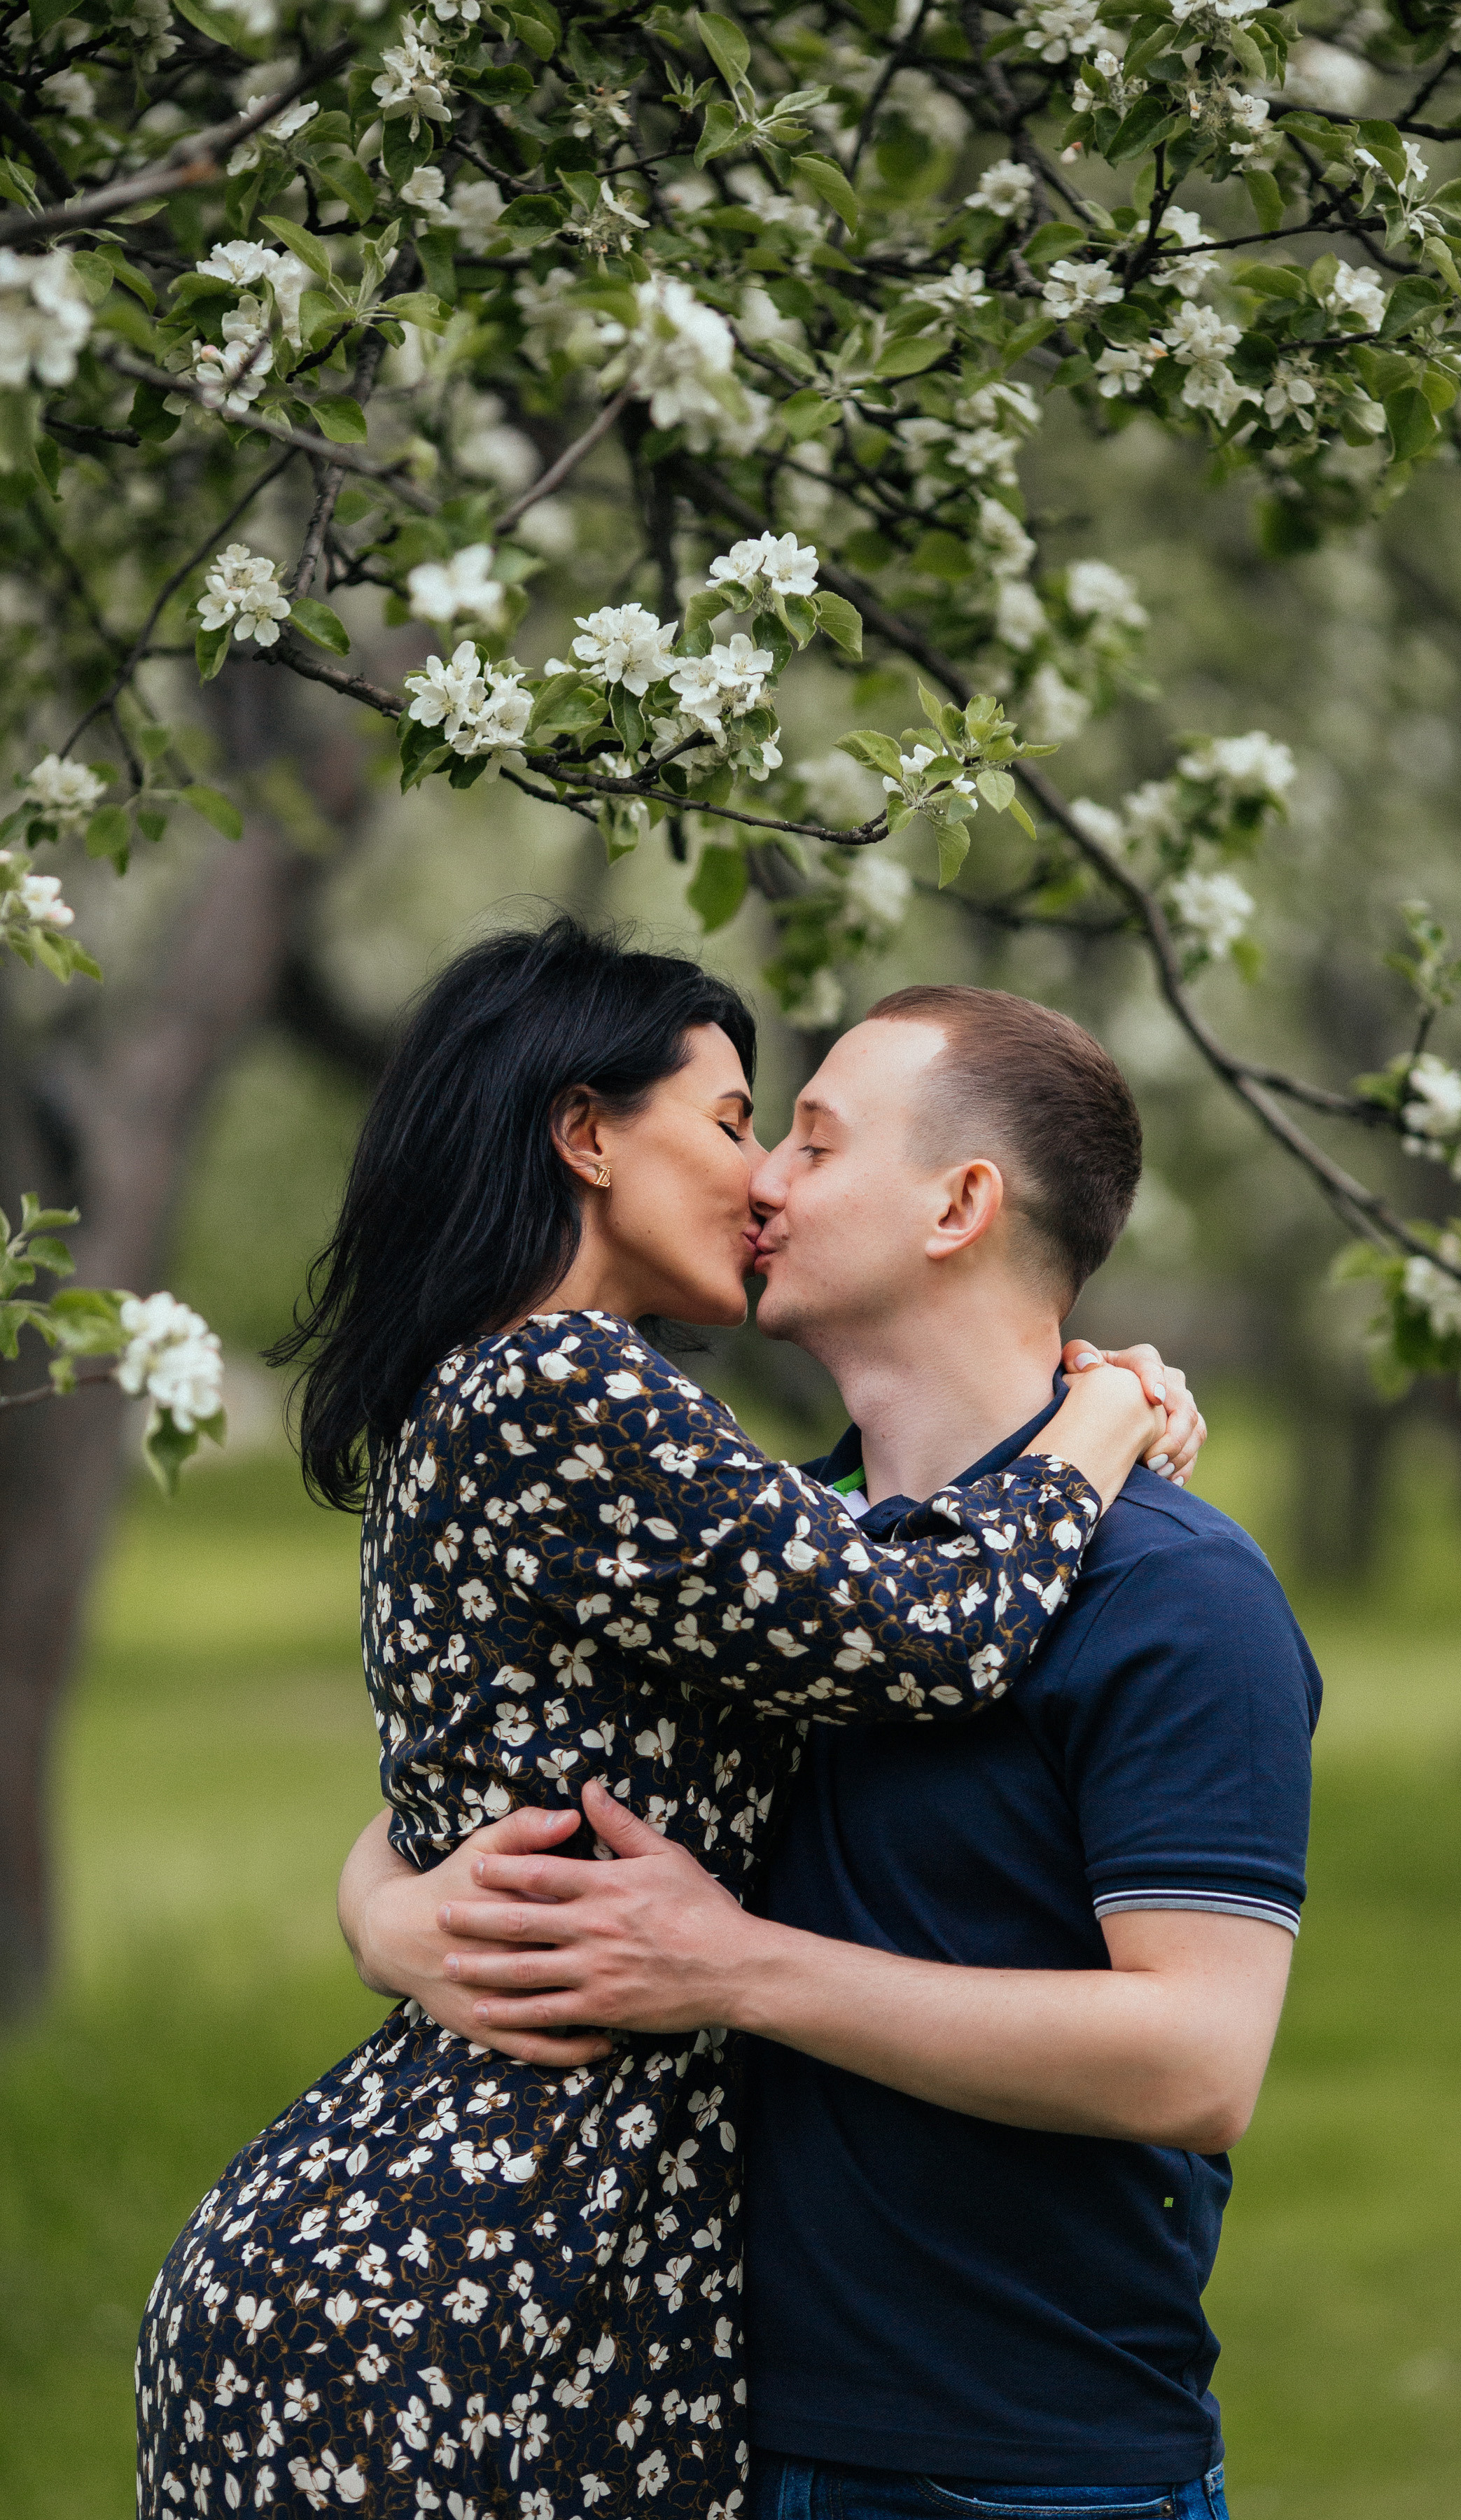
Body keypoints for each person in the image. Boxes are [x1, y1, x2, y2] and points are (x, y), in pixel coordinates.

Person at [136, 926, 1181, 2519]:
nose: (761, 1175)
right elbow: (926, 1630)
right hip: (460, 2285)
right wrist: (1101, 1416)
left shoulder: (509, 1393)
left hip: (513, 2256)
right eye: (731, 1118)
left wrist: (391, 1907)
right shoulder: (560, 1380)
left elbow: (494, 1789)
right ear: (587, 1134)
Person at [348, 986, 1320, 2520]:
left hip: (1015, 2460)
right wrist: (390, 1913)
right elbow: (489, 1782)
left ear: (962, 1203)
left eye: (807, 1137)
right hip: (699, 2427)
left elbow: (1195, 2061)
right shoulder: (786, 1569)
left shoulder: (1173, 1592)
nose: (765, 1182)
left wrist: (730, 1967)